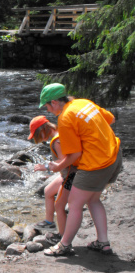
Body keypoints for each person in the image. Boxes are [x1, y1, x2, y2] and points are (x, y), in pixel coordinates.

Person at [38, 83, 122, 257]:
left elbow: (74, 154)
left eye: (46, 105)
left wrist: (56, 167)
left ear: (54, 102)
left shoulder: (65, 117)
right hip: (114, 156)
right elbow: (110, 119)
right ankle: (103, 243)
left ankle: (64, 245)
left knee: (75, 205)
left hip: (95, 164)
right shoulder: (84, 103)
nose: (47, 110)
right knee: (94, 200)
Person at [28, 115, 77, 244]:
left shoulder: (57, 141)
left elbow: (64, 160)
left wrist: (45, 167)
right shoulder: (59, 133)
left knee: (59, 205)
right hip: (66, 173)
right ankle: (49, 222)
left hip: (70, 175)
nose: (37, 138)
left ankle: (62, 237)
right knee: (48, 191)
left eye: (37, 134)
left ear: (43, 129)